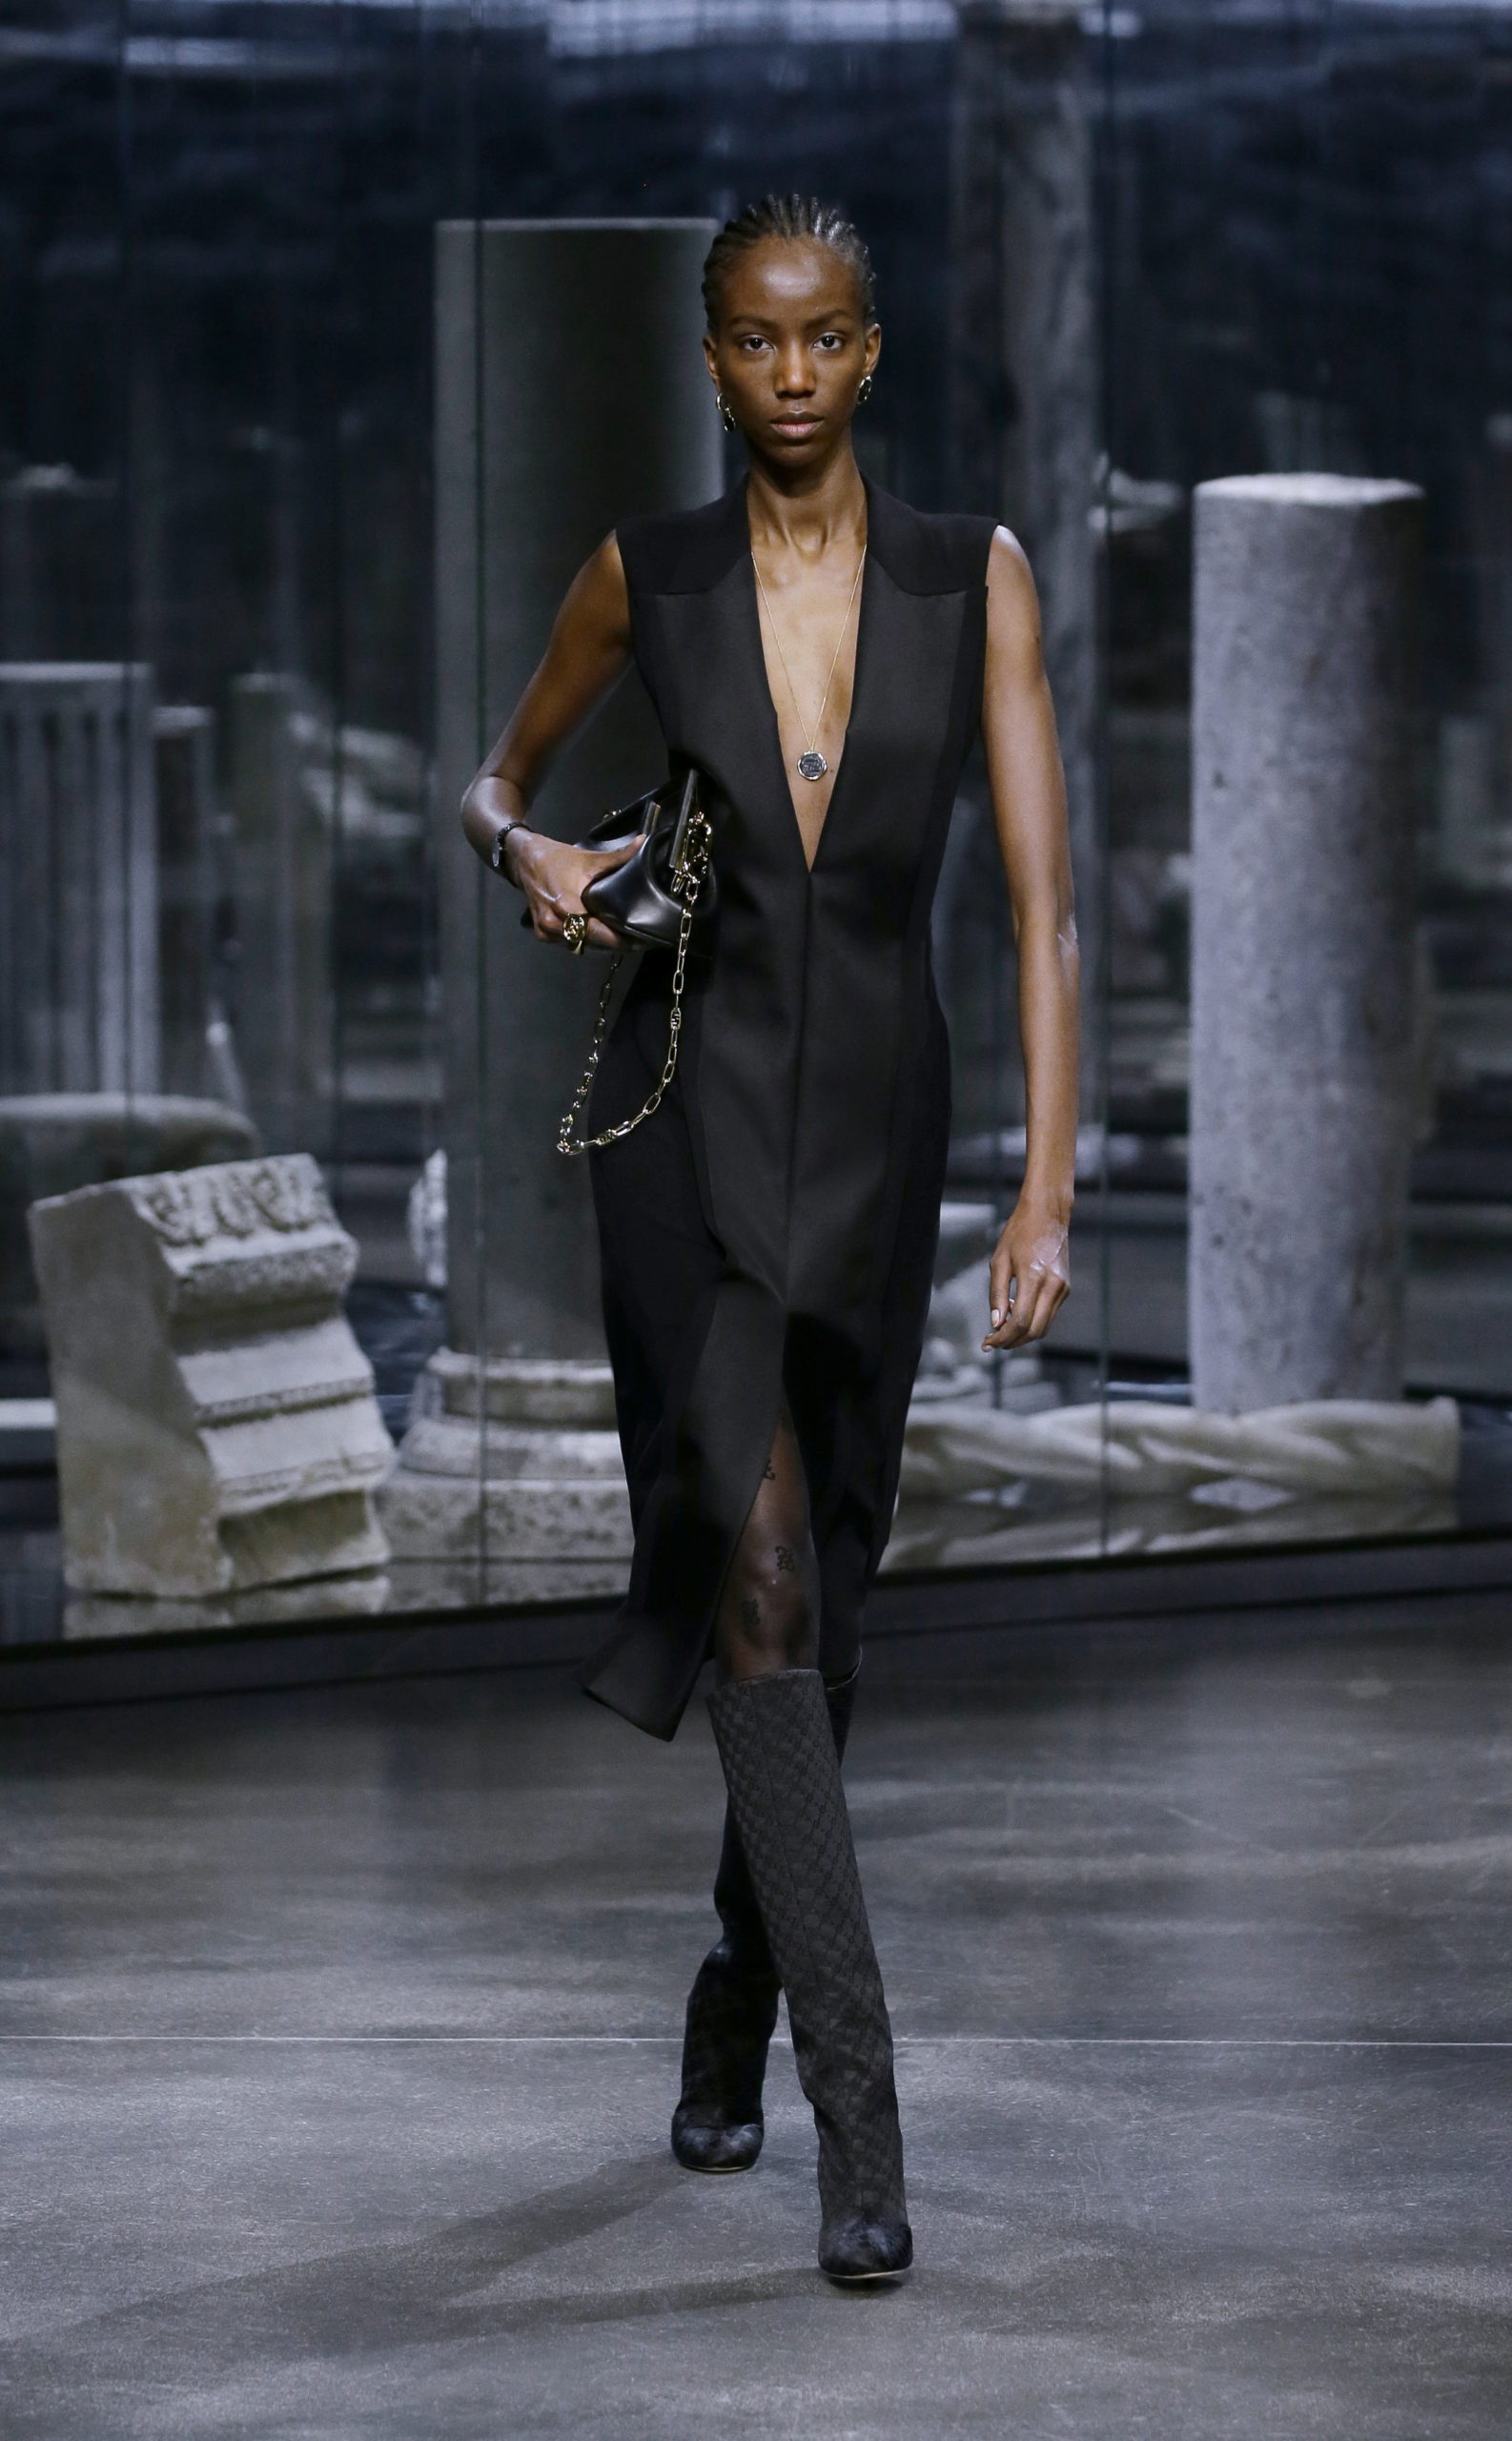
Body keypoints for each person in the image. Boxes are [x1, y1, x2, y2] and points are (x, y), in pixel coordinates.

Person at [461, 195, 1079, 2285]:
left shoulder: (970, 577)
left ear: (870, 352)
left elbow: (1040, 909)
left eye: (822, 338)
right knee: (754, 1572)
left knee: (825, 1620)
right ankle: (861, 2136)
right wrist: (532, 853)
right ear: (711, 356)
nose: (790, 374)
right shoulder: (646, 574)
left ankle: (736, 1979)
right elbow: (493, 783)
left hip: (878, 1144)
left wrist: (1046, 1183)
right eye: (753, 339)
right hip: (683, 1124)